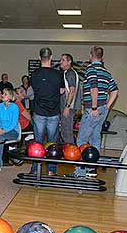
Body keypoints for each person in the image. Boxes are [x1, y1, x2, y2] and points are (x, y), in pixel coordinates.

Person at [68, 46, 119, 178]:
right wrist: (107, 106)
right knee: (95, 138)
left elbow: (94, 88)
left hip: (93, 109)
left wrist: (95, 107)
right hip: (102, 109)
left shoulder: (91, 69)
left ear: (91, 55)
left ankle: (80, 172)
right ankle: (91, 169)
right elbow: (115, 90)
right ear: (102, 57)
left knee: (81, 140)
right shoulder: (106, 72)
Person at [30, 47, 65, 176]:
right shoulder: (58, 74)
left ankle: (35, 170)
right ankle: (51, 170)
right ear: (51, 58)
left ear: (40, 58)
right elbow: (62, 91)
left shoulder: (34, 74)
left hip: (39, 111)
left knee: (37, 143)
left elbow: (35, 89)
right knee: (52, 143)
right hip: (54, 112)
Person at [0, 88, 19, 172]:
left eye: (5, 94)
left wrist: (3, 131)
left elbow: (13, 124)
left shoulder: (15, 107)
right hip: (0, 131)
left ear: (10, 96)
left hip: (13, 131)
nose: (2, 95)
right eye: (3, 94)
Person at [59, 53, 81, 144]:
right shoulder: (68, 73)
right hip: (68, 106)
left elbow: (72, 90)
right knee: (65, 131)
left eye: (63, 60)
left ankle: (71, 153)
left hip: (69, 107)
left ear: (69, 62)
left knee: (66, 132)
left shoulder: (70, 73)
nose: (61, 62)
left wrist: (67, 107)